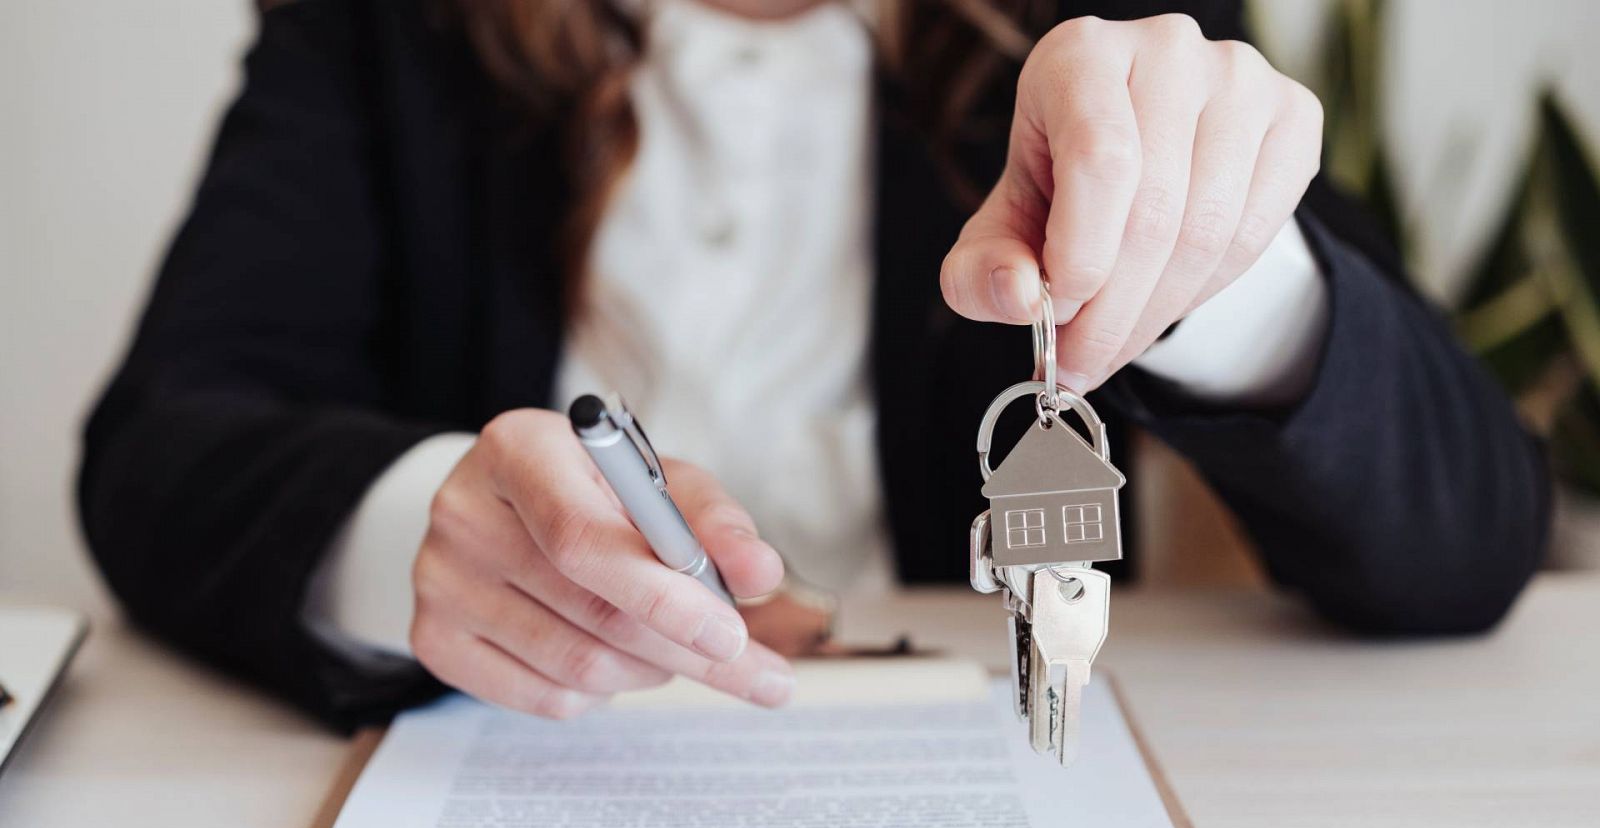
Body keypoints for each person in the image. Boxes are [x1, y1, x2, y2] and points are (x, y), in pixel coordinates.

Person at [78, 0, 1548, 731]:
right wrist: (423, 533)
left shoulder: (1091, 28)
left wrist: (1219, 268)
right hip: (532, 762)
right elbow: (162, 441)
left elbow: (1473, 528)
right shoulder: (386, 33)